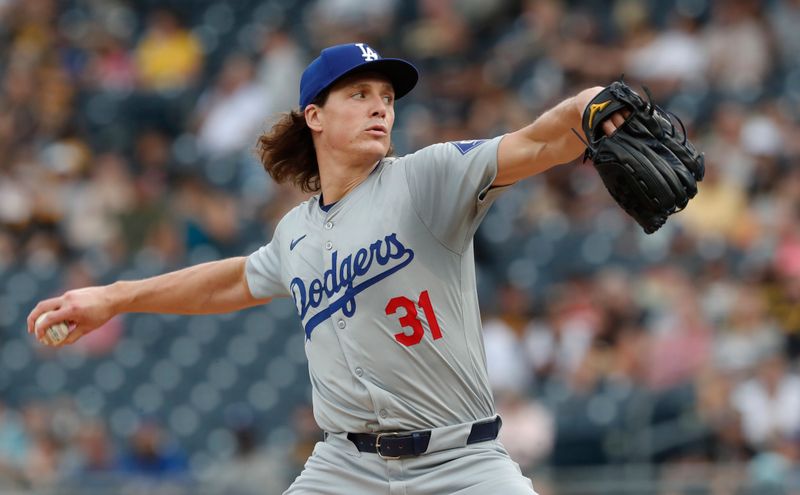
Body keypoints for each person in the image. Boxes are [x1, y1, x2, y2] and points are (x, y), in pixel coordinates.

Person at [28, 42, 623, 494]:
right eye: (359, 94)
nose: (380, 108)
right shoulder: (297, 233)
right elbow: (233, 280)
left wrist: (586, 107)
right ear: (314, 116)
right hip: (346, 467)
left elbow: (537, 143)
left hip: (461, 463)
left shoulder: (427, 178)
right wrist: (114, 296)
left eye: (387, 98)